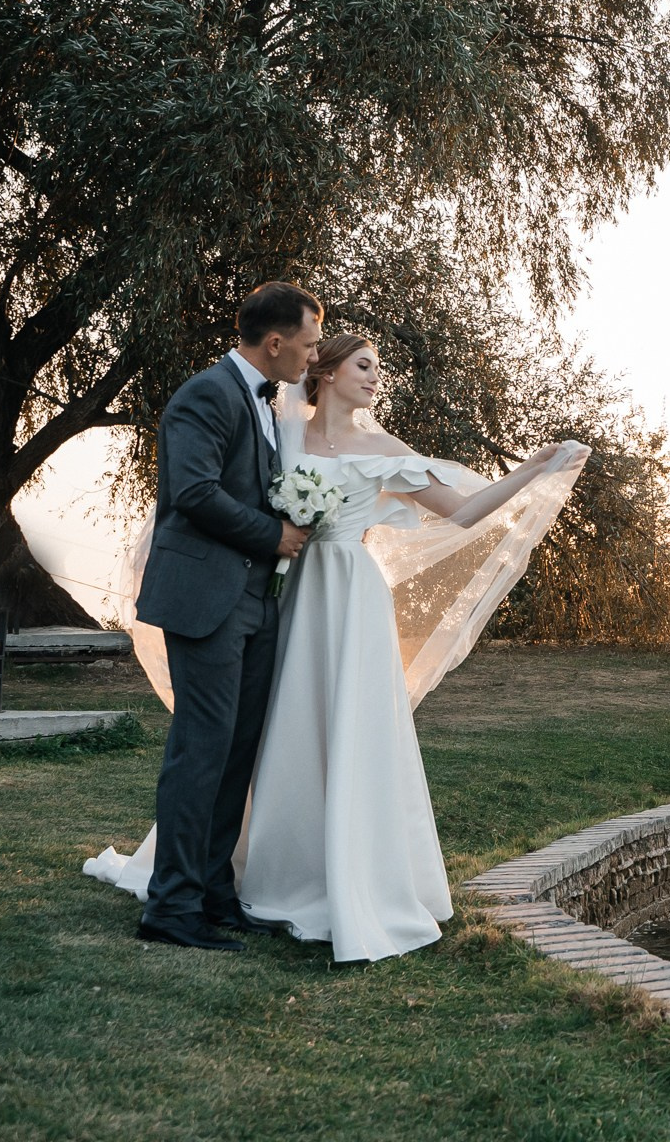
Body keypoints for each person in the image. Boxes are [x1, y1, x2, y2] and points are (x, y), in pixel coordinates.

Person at [235, 333, 583, 961]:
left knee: (354, 723)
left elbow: (465, 512)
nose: (374, 378)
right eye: (363, 367)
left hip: (354, 594)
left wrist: (529, 470)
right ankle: (274, 868)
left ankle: (357, 875)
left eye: (378, 370)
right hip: (295, 593)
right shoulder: (282, 434)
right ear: (329, 371)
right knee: (285, 718)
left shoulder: (384, 449)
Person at [133, 282, 322, 952]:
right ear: (275, 342)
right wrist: (271, 536)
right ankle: (170, 908)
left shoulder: (268, 400)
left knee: (235, 754)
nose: (312, 354)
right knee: (200, 752)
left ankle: (213, 891)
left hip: (252, 602)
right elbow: (192, 492)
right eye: (307, 342)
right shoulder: (206, 394)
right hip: (205, 599)